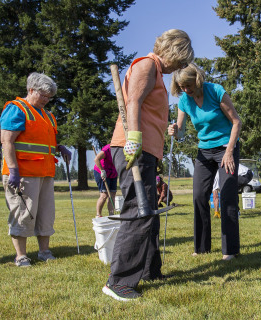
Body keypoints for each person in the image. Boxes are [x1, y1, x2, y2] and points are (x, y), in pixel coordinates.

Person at [103, 29, 194, 301]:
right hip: (134, 149)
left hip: (146, 151)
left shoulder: (157, 71)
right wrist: (133, 137)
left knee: (149, 212)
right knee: (139, 211)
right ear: (174, 52)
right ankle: (119, 281)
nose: (178, 68)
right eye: (180, 61)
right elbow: (133, 102)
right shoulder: (147, 64)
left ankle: (149, 270)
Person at [168, 63, 242, 261]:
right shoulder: (184, 100)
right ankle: (201, 248)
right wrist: (176, 130)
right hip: (204, 150)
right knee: (199, 196)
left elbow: (236, 121)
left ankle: (230, 250)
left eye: (188, 85)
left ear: (197, 80)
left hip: (226, 147)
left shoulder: (216, 91)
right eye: (182, 86)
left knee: (227, 197)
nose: (186, 90)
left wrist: (229, 151)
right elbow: (182, 132)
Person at [0, 72, 72, 267]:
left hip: (45, 172)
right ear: (31, 90)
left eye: (49, 97)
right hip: (22, 173)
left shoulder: (48, 116)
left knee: (45, 214)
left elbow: (44, 140)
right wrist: (13, 170)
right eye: (43, 95)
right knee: (23, 212)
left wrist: (59, 147)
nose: (46, 100)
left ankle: (44, 251)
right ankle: (21, 255)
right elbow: (7, 140)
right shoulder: (17, 109)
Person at [94, 144, 118, 218]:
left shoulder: (121, 149)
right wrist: (102, 171)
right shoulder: (108, 149)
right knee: (104, 194)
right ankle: (98, 214)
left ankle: (111, 214)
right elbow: (96, 159)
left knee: (112, 194)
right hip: (101, 171)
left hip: (113, 172)